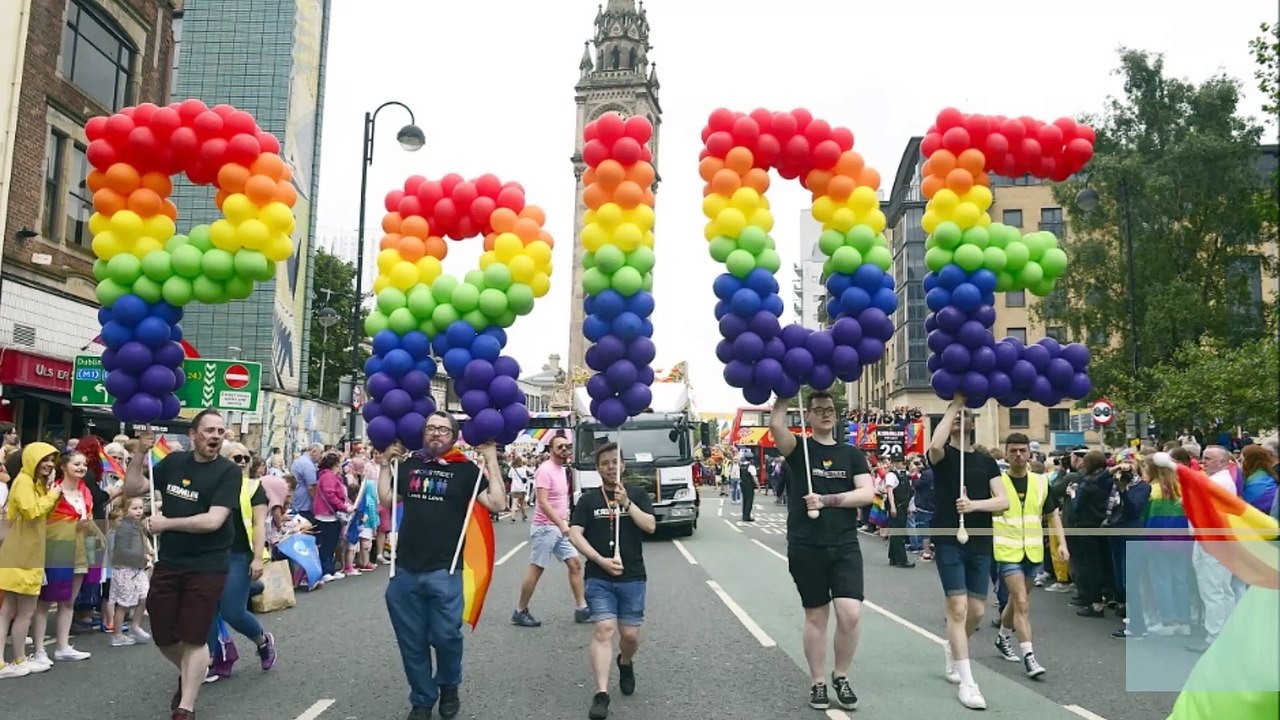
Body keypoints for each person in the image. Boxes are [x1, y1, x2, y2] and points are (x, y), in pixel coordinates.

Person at [377, 412, 505, 720]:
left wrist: (491, 460)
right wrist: (384, 464)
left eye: (443, 430)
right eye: (431, 428)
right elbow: (386, 499)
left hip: (446, 571)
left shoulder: (465, 471)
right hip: (405, 570)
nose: (436, 434)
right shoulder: (409, 465)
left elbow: (498, 503)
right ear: (423, 433)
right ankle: (422, 698)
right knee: (412, 643)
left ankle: (449, 685)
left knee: (446, 636)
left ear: (454, 435)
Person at [123, 412, 242, 720]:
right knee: (164, 636)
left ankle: (185, 707)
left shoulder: (228, 472)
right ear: (194, 434)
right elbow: (133, 488)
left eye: (220, 431)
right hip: (170, 562)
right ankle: (191, 671)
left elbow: (214, 520)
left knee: (194, 636)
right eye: (209, 430)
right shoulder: (175, 463)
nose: (215, 436)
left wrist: (166, 523)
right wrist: (139, 454)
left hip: (208, 564)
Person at [768, 391, 874, 711]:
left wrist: (828, 501)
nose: (826, 414)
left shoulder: (852, 454)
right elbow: (775, 425)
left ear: (836, 415)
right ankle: (817, 682)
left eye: (830, 409)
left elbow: (867, 493)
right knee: (816, 615)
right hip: (806, 544)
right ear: (809, 416)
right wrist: (785, 394)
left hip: (844, 544)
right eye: (819, 410)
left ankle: (840, 675)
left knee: (850, 613)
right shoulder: (798, 450)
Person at [926, 397, 1009, 710]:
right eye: (955, 416)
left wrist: (975, 505)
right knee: (958, 609)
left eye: (965, 415)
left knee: (976, 612)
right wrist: (954, 404)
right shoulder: (944, 454)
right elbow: (934, 445)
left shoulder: (986, 461)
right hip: (948, 537)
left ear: (974, 423)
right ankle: (968, 681)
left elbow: (1003, 502)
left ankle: (953, 647)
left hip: (979, 540)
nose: (960, 418)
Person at [567, 442, 657, 719]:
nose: (610, 467)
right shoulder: (588, 500)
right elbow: (574, 533)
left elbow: (650, 526)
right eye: (604, 463)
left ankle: (625, 661)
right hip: (599, 576)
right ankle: (602, 693)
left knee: (629, 636)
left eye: (614, 462)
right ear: (597, 468)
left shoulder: (638, 494)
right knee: (604, 630)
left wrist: (627, 504)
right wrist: (598, 559)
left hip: (632, 576)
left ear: (623, 465)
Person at [991, 433, 1067, 679]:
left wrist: (1061, 544)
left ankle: (1003, 637)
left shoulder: (1041, 482)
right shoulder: (997, 483)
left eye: (1022, 450)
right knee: (1022, 603)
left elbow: (1053, 514)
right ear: (1006, 453)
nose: (1018, 455)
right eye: (1013, 451)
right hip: (1007, 549)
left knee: (1016, 601)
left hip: (1033, 551)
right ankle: (1029, 657)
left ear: (1030, 454)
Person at [204, 442, 277, 681]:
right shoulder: (209, 485)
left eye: (246, 458)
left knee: (233, 611)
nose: (243, 462)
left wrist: (257, 558)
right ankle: (212, 659)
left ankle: (263, 642)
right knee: (207, 611)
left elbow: (259, 526)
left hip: (238, 556)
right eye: (237, 458)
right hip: (208, 555)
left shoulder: (254, 487)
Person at [512, 432, 589, 627]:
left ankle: (582, 608)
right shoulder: (545, 470)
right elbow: (543, 503)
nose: (564, 449)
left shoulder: (562, 469)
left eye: (566, 446)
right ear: (551, 450)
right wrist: (562, 524)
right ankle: (520, 610)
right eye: (560, 447)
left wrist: (565, 520)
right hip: (546, 527)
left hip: (559, 525)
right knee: (537, 568)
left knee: (575, 564)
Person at [0, 443, 61, 678]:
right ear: (31, 459)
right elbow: (32, 511)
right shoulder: (25, 482)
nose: (48, 464)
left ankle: (10, 662)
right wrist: (53, 493)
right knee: (24, 611)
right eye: (44, 459)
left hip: (23, 553)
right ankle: (18, 659)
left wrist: (48, 491)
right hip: (23, 556)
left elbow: (42, 513)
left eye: (51, 460)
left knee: (9, 610)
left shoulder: (32, 482)